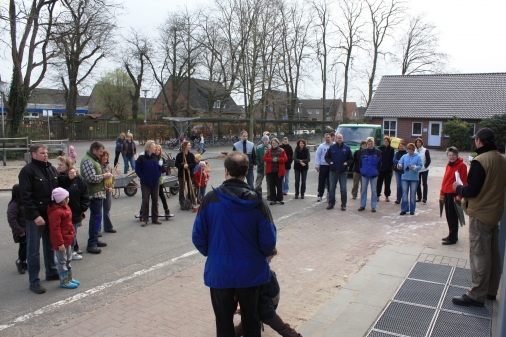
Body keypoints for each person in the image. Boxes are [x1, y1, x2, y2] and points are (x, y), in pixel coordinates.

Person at [192, 151, 277, 337]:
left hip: (220, 270)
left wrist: (214, 253)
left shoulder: (209, 200)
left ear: (226, 171)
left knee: (223, 322)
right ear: (246, 172)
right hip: (250, 271)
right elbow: (269, 240)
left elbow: (198, 236)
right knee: (251, 320)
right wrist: (260, 254)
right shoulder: (258, 203)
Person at [452, 128, 506, 307]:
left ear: (480, 141)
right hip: (494, 213)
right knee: (493, 253)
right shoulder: (501, 158)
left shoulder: (480, 161)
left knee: (479, 254)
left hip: (481, 214)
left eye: (476, 140)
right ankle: (491, 290)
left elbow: (472, 190)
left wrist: (458, 188)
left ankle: (476, 295)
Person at [19, 144, 75, 294]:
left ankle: (51, 271)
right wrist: (35, 215)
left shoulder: (50, 168)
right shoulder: (27, 171)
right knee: (33, 250)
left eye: (46, 152)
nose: (45, 155)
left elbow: (58, 186)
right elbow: (25, 196)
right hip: (35, 217)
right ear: (33, 154)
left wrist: (68, 179)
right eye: (42, 153)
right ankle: (34, 281)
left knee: (50, 245)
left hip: (50, 213)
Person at [234, 248, 302, 337]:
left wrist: (238, 306)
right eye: (270, 258)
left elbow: (237, 292)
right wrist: (272, 308)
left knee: (243, 327)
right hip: (266, 310)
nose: (270, 261)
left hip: (250, 309)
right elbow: (275, 295)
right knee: (282, 327)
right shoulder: (269, 274)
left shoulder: (245, 272)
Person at [80, 141, 111, 254]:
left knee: (97, 219)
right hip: (93, 194)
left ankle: (95, 240)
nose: (101, 154)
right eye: (100, 152)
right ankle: (92, 244)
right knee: (95, 219)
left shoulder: (94, 160)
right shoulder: (88, 161)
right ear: (94, 150)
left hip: (98, 194)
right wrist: (104, 176)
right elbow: (90, 178)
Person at [56, 156, 89, 261]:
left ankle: (73, 250)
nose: (59, 167)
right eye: (58, 164)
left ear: (68, 166)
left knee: (73, 232)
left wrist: (82, 207)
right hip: (61, 213)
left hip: (75, 211)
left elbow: (84, 193)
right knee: (61, 234)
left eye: (61, 165)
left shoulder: (78, 178)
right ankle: (61, 254)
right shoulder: (57, 177)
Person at [47, 187, 79, 289]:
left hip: (68, 238)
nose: (68, 199)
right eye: (66, 198)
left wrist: (72, 233)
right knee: (62, 261)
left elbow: (69, 224)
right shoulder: (56, 212)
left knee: (68, 259)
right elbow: (55, 230)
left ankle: (69, 278)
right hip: (61, 241)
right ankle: (64, 281)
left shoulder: (66, 208)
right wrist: (59, 243)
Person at [439, 147, 468, 245]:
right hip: (446, 192)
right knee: (448, 215)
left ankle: (453, 237)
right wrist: (442, 192)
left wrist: (460, 196)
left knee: (453, 216)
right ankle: (451, 234)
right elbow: (445, 179)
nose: (451, 157)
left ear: (457, 155)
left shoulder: (462, 165)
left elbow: (464, 181)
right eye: (450, 155)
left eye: (453, 155)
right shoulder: (448, 165)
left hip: (454, 193)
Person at [136, 141, 163, 227]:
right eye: (154, 147)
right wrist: (143, 177)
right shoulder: (141, 157)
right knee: (145, 201)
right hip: (145, 183)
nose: (155, 148)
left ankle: (155, 218)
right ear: (149, 147)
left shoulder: (156, 157)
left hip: (155, 182)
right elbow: (137, 169)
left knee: (155, 200)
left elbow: (159, 167)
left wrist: (158, 175)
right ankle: (145, 219)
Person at [325, 133, 353, 211]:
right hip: (333, 171)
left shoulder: (347, 148)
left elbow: (351, 159)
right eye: (338, 138)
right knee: (331, 188)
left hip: (343, 171)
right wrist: (329, 162)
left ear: (343, 139)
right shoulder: (332, 147)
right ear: (336, 139)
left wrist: (347, 163)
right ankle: (331, 203)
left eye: (341, 138)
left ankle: (343, 204)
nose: (339, 139)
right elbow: (326, 157)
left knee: (343, 189)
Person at [397, 143, 422, 215]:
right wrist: (400, 165)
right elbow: (399, 163)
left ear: (414, 150)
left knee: (413, 194)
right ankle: (404, 209)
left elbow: (420, 166)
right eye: (409, 150)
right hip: (405, 177)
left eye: (411, 150)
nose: (410, 152)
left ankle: (412, 209)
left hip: (414, 178)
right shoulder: (404, 156)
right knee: (404, 193)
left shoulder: (418, 157)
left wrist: (414, 168)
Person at [357, 137, 382, 212]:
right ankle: (362, 205)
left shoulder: (378, 152)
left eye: (372, 144)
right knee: (364, 190)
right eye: (369, 144)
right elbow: (359, 162)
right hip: (364, 174)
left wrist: (377, 171)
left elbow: (380, 164)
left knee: (374, 191)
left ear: (374, 144)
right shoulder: (363, 151)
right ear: (367, 144)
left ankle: (373, 206)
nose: (370, 145)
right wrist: (361, 170)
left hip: (374, 174)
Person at [8, 184, 27, 274]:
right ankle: (20, 261)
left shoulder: (23, 202)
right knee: (25, 245)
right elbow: (12, 219)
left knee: (24, 246)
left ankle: (23, 261)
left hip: (26, 229)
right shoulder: (14, 205)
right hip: (21, 230)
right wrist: (19, 231)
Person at [263, 138, 288, 205]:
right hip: (270, 171)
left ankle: (280, 199)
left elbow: (285, 158)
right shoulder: (268, 151)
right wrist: (272, 159)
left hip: (279, 171)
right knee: (271, 186)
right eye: (273, 143)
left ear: (278, 143)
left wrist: (277, 159)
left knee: (279, 186)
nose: (274, 144)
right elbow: (264, 158)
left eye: (275, 143)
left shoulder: (282, 150)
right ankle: (273, 199)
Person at [175, 140, 197, 210]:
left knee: (190, 187)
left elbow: (194, 164)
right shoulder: (179, 155)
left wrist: (188, 165)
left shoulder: (191, 155)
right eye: (189, 145)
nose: (190, 146)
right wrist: (183, 166)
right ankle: (182, 202)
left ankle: (190, 200)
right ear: (185, 146)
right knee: (182, 188)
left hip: (190, 173)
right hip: (182, 174)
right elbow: (176, 164)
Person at [155, 144, 174, 219]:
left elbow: (165, 169)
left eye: (158, 150)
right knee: (147, 197)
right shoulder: (151, 158)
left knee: (161, 195)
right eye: (156, 149)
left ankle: (166, 210)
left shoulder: (161, 159)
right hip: (152, 180)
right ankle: (142, 211)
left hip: (159, 180)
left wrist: (161, 166)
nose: (157, 151)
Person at [100, 150, 116, 233]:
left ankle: (108, 227)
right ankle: (97, 230)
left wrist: (111, 187)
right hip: (100, 191)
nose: (106, 158)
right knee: (98, 211)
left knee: (107, 210)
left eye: (107, 156)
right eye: (104, 156)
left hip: (108, 191)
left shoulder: (109, 167)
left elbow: (113, 178)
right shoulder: (98, 166)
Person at [376, 136, 395, 202]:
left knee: (387, 183)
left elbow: (392, 159)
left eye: (387, 141)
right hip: (380, 169)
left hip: (388, 169)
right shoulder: (380, 148)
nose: (386, 143)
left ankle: (387, 196)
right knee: (379, 183)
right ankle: (377, 195)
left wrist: (390, 167)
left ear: (389, 142)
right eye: (385, 141)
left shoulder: (391, 149)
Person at [315, 134, 332, 202]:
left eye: (328, 137)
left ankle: (330, 195)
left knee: (330, 182)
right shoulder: (321, 146)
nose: (327, 139)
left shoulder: (334, 145)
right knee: (321, 181)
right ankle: (320, 195)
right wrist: (317, 165)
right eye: (326, 138)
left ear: (331, 138)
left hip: (331, 166)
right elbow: (317, 155)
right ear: (324, 138)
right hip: (323, 166)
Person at [255, 136, 271, 200]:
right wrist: (259, 164)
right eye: (264, 140)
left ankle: (269, 195)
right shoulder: (259, 148)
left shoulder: (270, 147)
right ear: (262, 141)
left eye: (266, 140)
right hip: (261, 167)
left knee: (269, 182)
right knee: (258, 182)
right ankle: (257, 195)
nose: (265, 141)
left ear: (268, 141)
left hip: (268, 167)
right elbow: (256, 157)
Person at [415, 137, 431, 203]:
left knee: (424, 183)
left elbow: (428, 160)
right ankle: (419, 197)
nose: (418, 143)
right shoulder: (415, 150)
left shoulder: (425, 150)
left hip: (424, 170)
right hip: (417, 170)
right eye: (417, 142)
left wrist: (425, 166)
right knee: (417, 183)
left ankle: (424, 198)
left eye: (419, 142)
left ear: (421, 143)